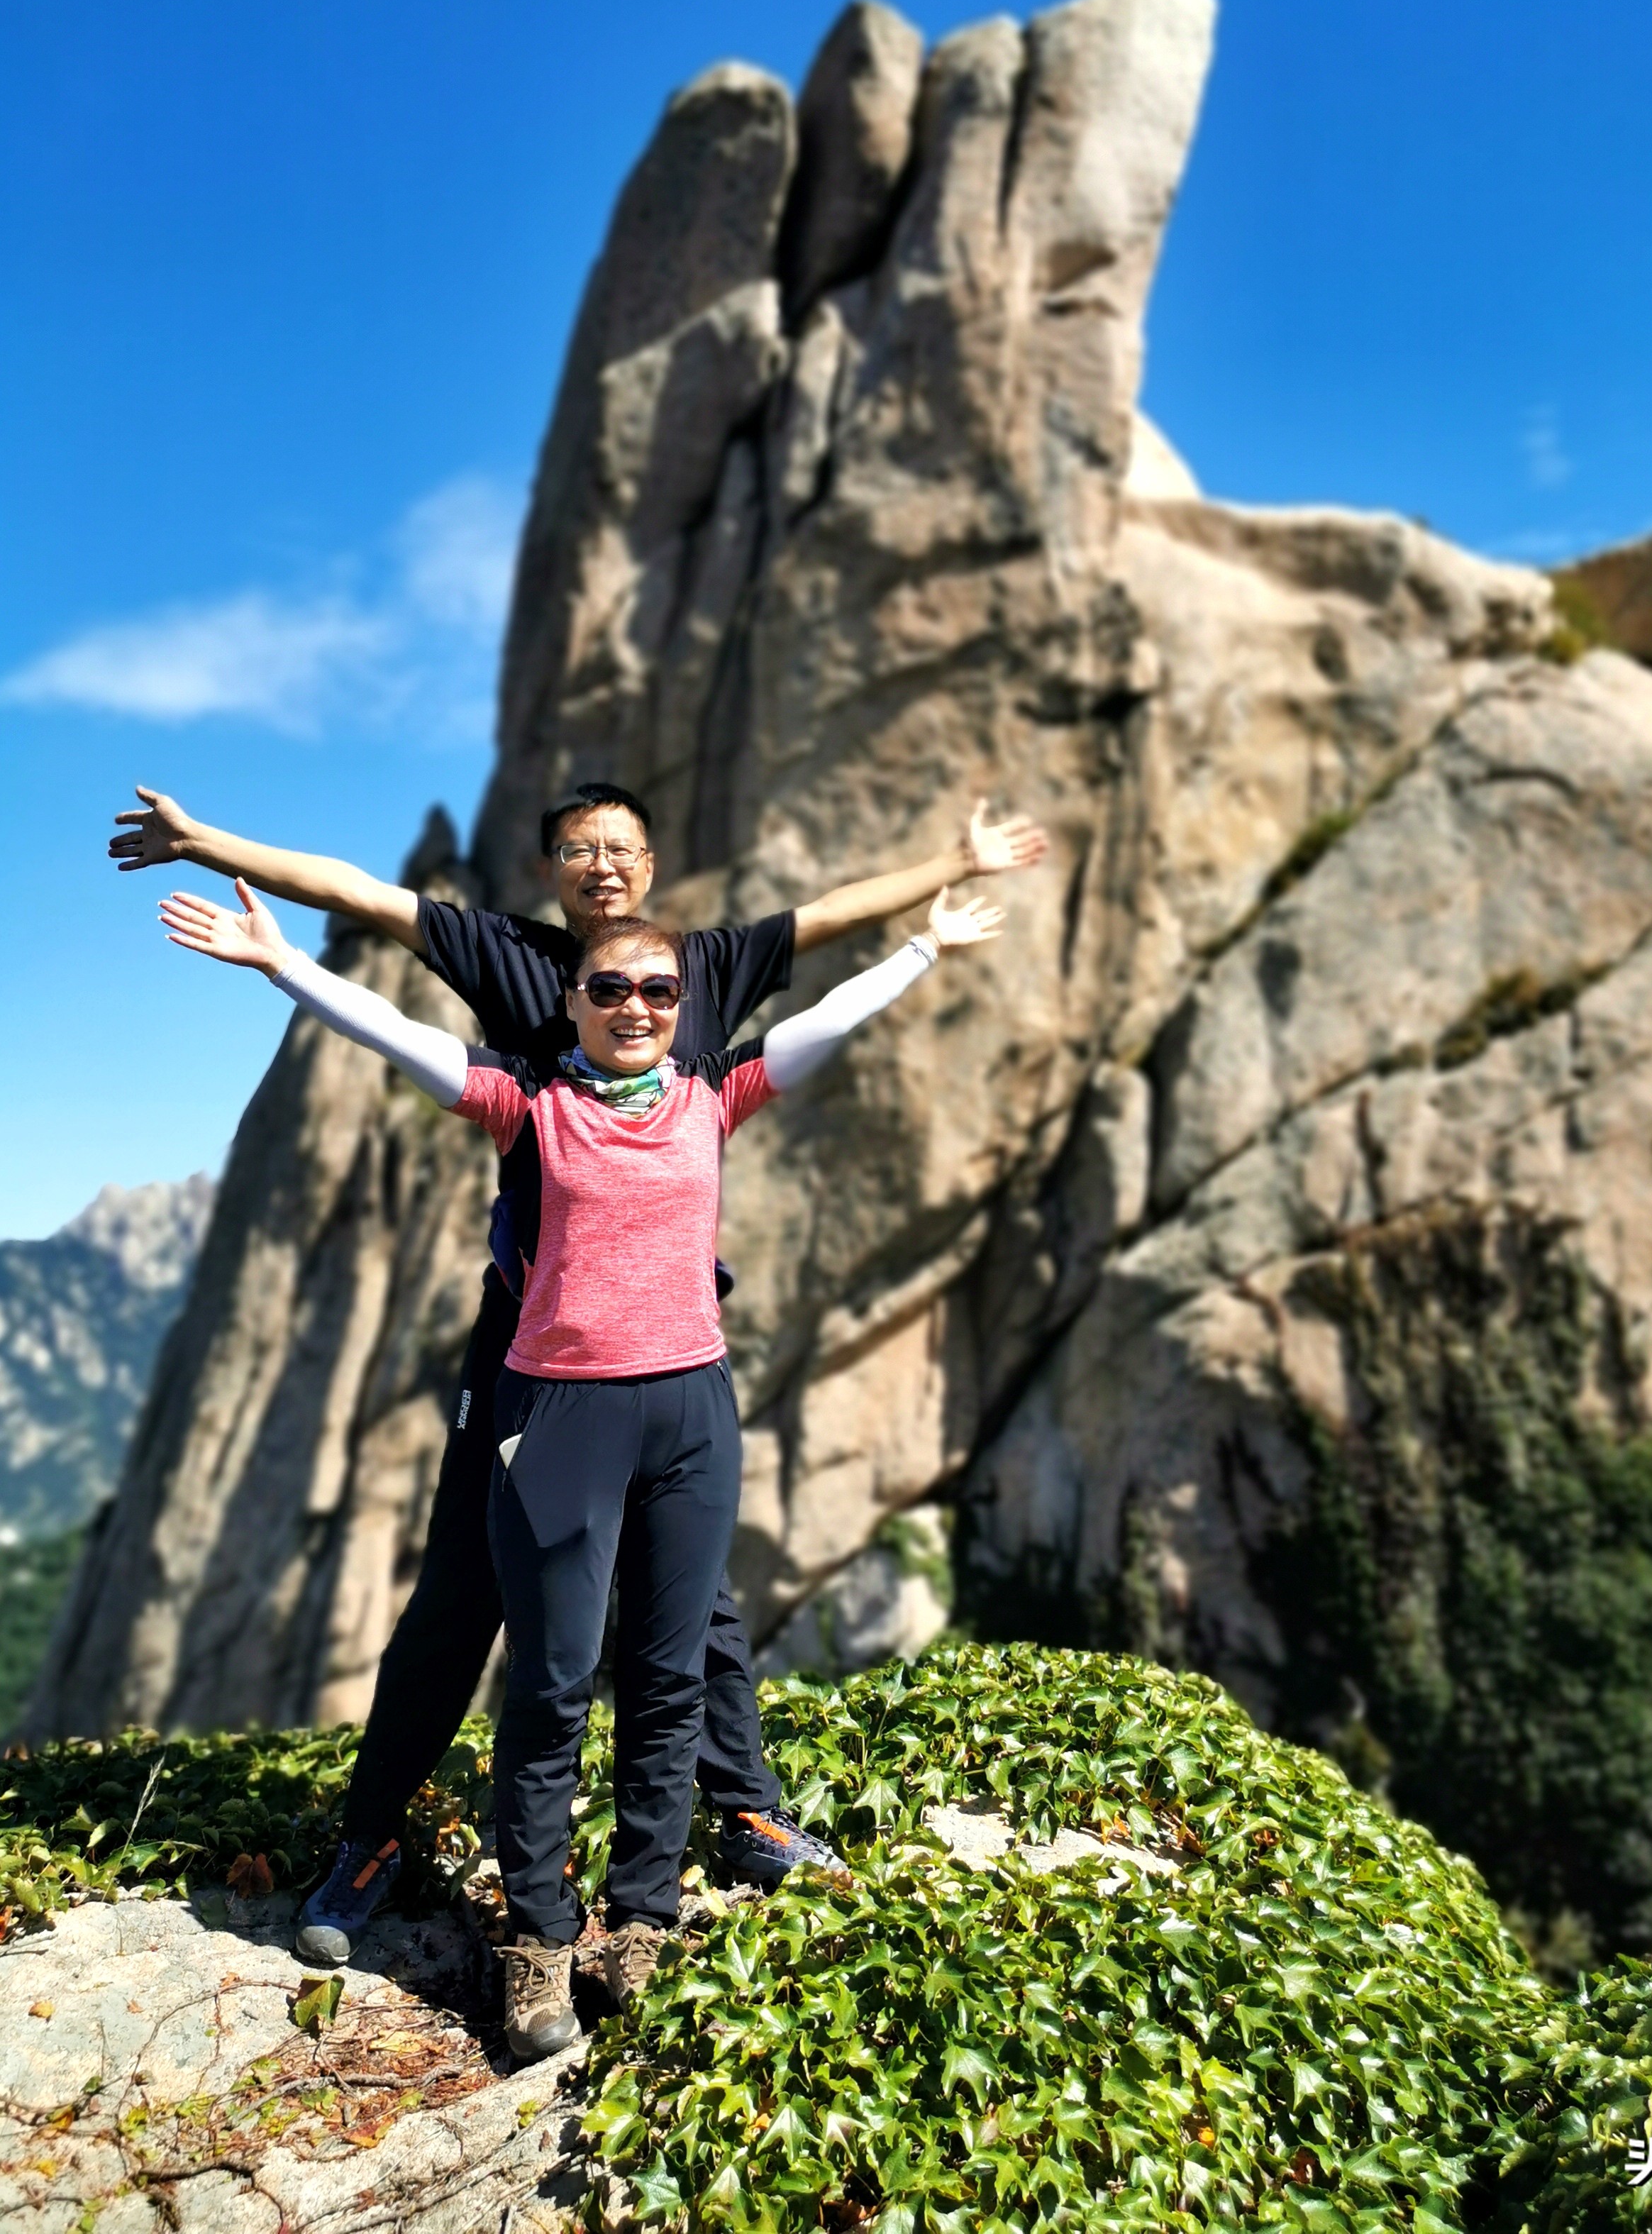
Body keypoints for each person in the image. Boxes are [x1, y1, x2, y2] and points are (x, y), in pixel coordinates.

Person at [113, 780, 1046, 1962]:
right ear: (554, 874)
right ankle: (374, 1838)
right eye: (578, 849)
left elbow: (831, 924)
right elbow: (360, 901)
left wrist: (950, 869)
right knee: (466, 1589)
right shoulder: (508, 960)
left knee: (692, 1605)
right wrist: (208, 847)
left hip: (668, 1359)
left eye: (622, 848)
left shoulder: (705, 966)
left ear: (652, 870)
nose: (604, 871)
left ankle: (740, 1811)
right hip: (533, 1353)